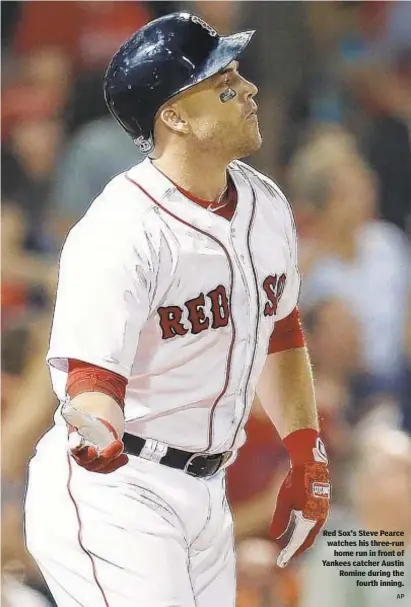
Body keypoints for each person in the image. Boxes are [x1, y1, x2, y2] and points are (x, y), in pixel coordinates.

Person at [24, 13, 330, 607]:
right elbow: (91, 381)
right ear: (175, 117)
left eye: (238, 77)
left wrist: (305, 449)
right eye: (224, 85)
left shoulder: (266, 205)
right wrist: (97, 429)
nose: (249, 91)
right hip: (116, 491)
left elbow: (282, 334)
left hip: (206, 496)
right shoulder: (121, 229)